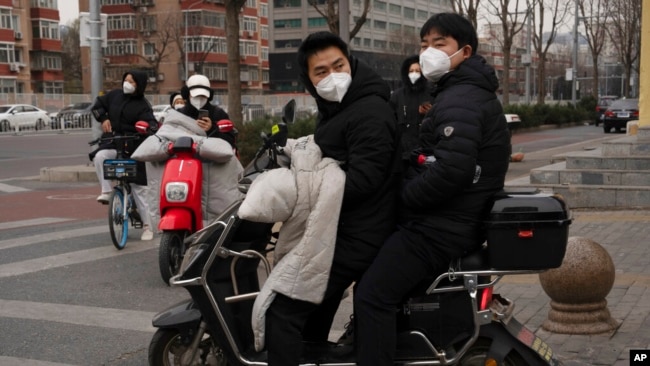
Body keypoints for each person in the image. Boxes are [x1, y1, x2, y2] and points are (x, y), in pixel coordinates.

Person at [354, 13, 512, 366]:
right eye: (424, 45)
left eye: (439, 44)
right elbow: (435, 158)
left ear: (465, 51)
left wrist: (402, 198)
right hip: (452, 221)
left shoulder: (462, 99)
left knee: (371, 295)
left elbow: (451, 173)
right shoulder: (460, 93)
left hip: (438, 229)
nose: (428, 53)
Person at [263, 31, 401, 366]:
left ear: (351, 63)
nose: (332, 76)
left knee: (281, 310)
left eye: (338, 65)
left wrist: (301, 191)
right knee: (314, 306)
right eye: (321, 71)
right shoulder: (341, 108)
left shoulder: (368, 111)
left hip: (361, 234)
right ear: (308, 81)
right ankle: (313, 353)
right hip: (345, 227)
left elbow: (363, 180)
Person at [90, 69, 158, 241]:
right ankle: (106, 191)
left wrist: (146, 129)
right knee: (100, 156)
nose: (127, 83)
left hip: (134, 147)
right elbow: (97, 106)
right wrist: (104, 119)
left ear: (139, 85)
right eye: (126, 79)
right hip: (114, 142)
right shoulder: (114, 96)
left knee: (139, 189)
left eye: (132, 81)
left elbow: (152, 125)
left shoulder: (143, 105)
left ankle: (148, 226)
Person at [389, 54, 433, 161]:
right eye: (411, 71)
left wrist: (429, 113)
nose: (414, 74)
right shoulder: (397, 96)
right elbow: (389, 122)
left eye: (417, 71)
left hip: (424, 154)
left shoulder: (431, 94)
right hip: (401, 154)